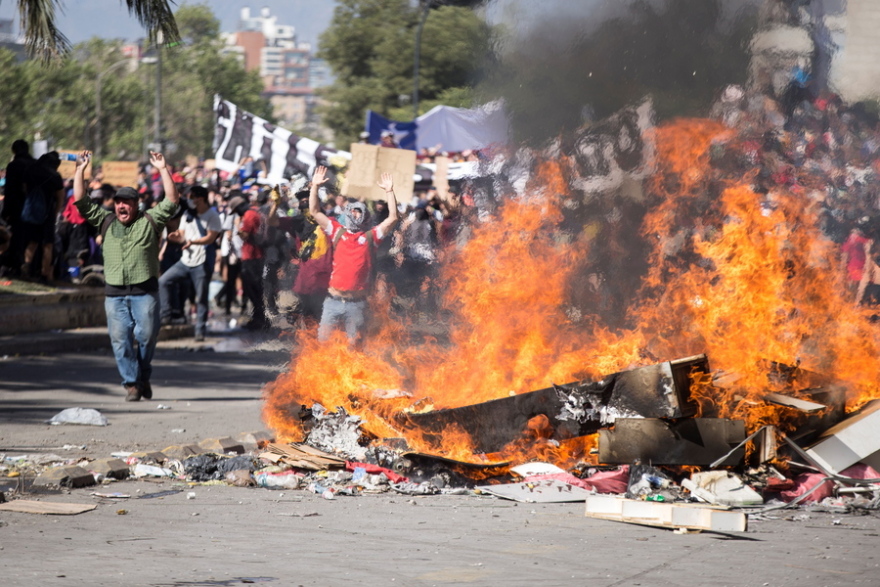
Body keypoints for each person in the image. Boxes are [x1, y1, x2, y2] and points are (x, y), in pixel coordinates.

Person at [73, 150, 180, 402]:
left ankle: (143, 375)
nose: (122, 205)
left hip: (145, 292)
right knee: (120, 341)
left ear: (136, 205)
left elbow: (172, 199)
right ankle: (132, 383)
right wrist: (80, 169)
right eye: (119, 201)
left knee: (146, 337)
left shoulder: (151, 220)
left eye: (127, 202)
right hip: (115, 294)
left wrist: (163, 168)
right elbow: (80, 198)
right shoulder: (105, 220)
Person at [308, 165, 399, 344]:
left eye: (360, 212)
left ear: (365, 217)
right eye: (353, 212)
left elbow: (393, 218)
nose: (356, 215)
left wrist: (389, 191)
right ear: (347, 214)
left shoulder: (371, 237)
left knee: (354, 348)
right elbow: (315, 212)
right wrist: (315, 186)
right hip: (333, 301)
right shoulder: (337, 232)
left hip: (357, 304)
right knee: (323, 344)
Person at [159, 186, 221, 341]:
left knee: (201, 297)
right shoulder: (187, 214)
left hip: (202, 262)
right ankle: (166, 315)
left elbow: (210, 238)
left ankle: (200, 331)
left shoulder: (213, 216)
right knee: (163, 281)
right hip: (185, 260)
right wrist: (176, 235)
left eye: (192, 197)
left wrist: (192, 241)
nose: (190, 200)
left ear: (200, 198)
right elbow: (182, 233)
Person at [226, 194, 270, 330]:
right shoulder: (258, 212)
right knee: (256, 290)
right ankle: (259, 319)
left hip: (251, 256)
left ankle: (260, 320)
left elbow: (245, 234)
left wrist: (238, 227)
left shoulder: (249, 215)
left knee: (252, 290)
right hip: (258, 256)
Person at [21, 151, 64, 282]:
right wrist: (55, 212)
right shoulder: (55, 176)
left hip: (32, 211)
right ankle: (44, 273)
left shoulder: (31, 171)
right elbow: (60, 198)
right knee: (48, 245)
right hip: (47, 213)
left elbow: (24, 189)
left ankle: (26, 268)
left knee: (32, 242)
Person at [0, 139, 35, 276]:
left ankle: (14, 267)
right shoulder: (35, 165)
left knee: (15, 238)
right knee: (31, 239)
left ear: (14, 151)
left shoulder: (14, 166)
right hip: (35, 209)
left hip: (17, 208)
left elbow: (10, 190)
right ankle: (28, 268)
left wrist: (6, 211)